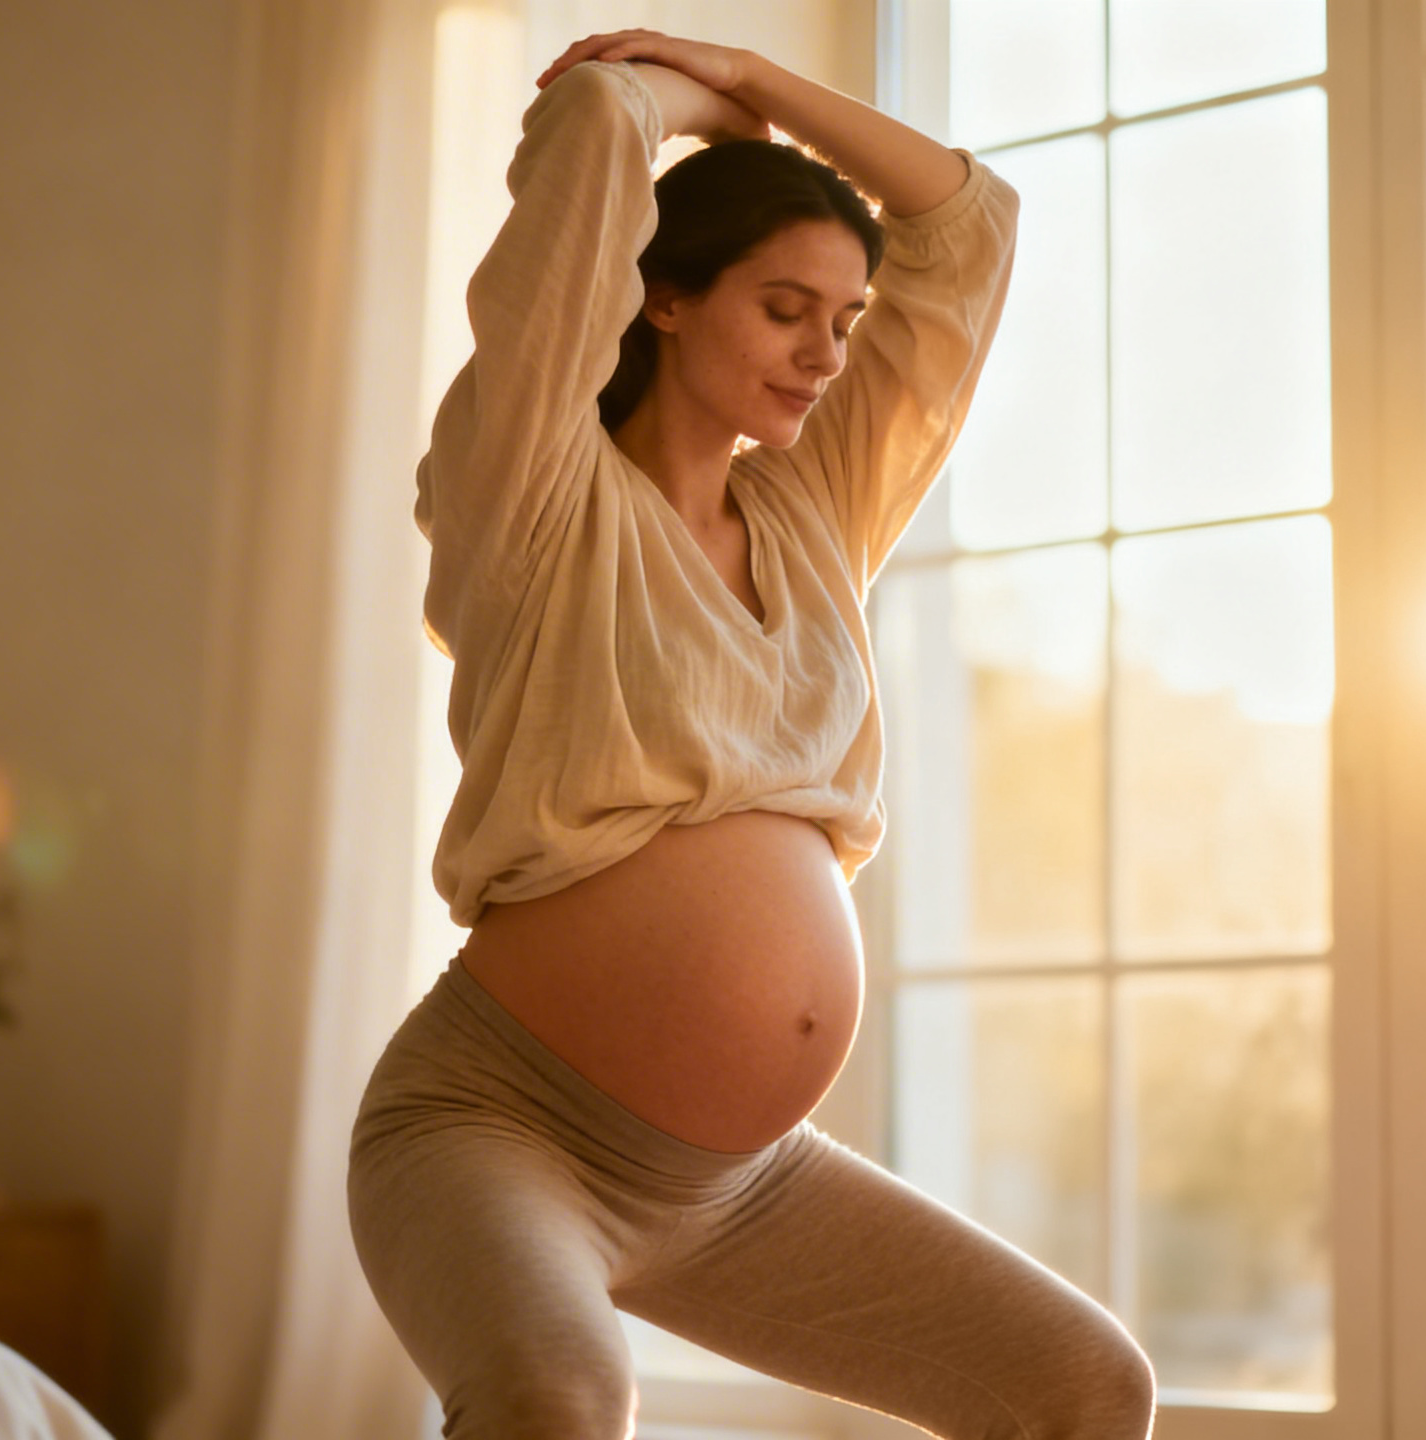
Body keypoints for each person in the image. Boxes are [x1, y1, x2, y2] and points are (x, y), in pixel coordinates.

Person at [347, 27, 1158, 1439]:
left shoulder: (816, 511)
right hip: (499, 1128)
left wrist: (764, 91)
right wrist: (685, 99)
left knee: (1083, 1387)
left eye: (846, 321)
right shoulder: (536, 493)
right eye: (788, 306)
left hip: (739, 1186)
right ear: (661, 298)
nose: (826, 354)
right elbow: (596, 122)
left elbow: (970, 227)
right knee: (560, 1394)